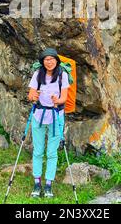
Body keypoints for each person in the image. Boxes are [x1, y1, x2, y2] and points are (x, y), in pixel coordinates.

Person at [28, 48, 70, 198]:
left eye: (52, 59)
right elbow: (31, 96)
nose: (49, 62)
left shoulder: (62, 75)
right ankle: (37, 182)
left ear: (56, 61)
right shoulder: (37, 74)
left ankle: (48, 184)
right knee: (38, 150)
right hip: (39, 115)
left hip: (56, 116)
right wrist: (35, 96)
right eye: (46, 59)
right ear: (42, 62)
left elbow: (64, 97)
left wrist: (57, 101)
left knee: (52, 152)